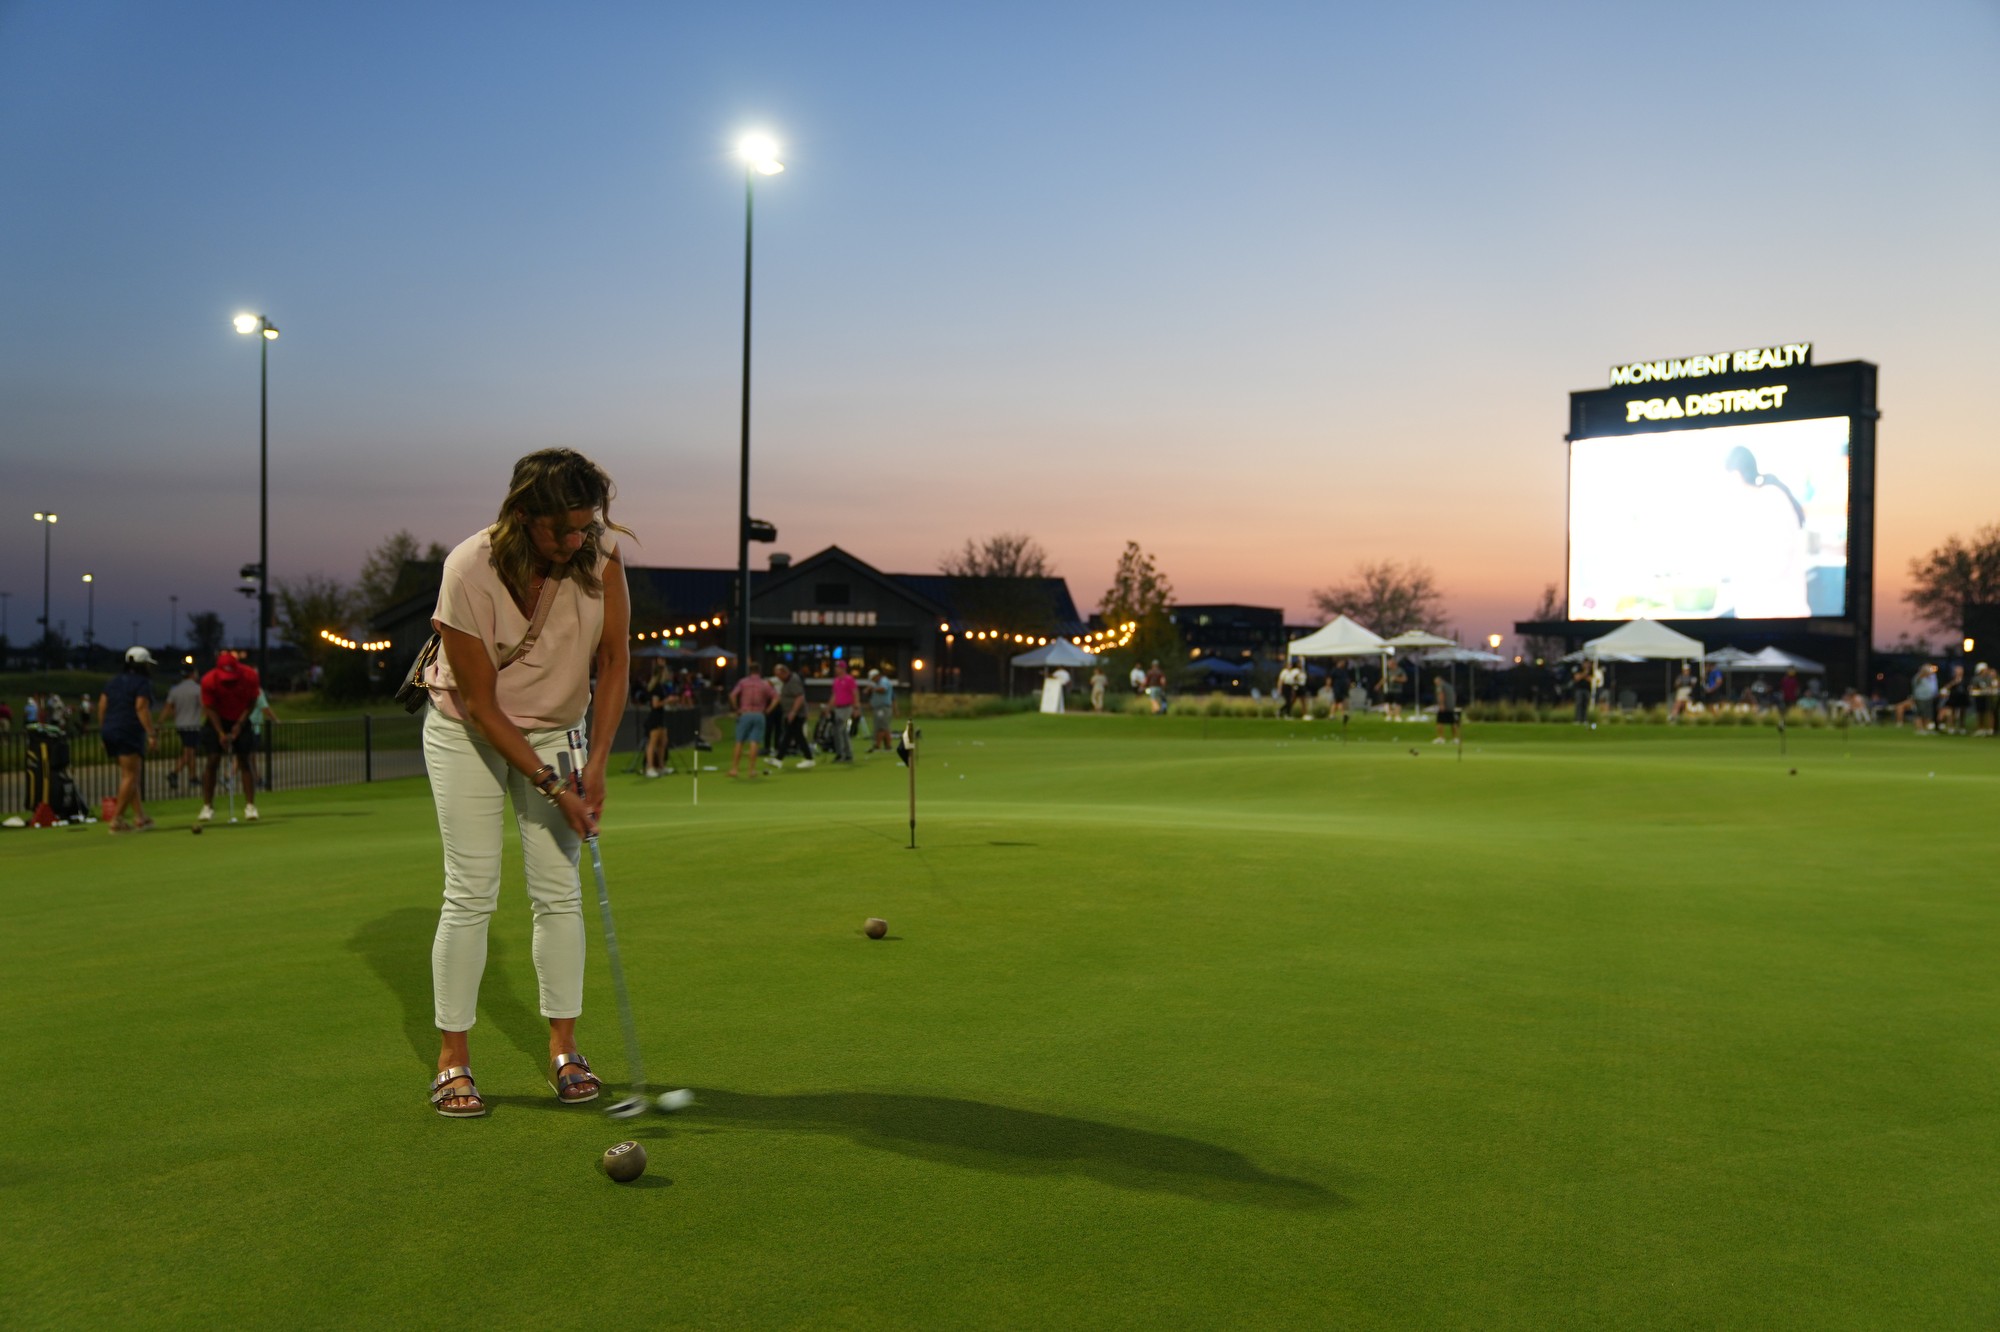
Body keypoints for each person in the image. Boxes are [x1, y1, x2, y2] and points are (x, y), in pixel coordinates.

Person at [419, 447, 631, 1118]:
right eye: (562, 529)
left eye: (586, 525)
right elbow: (482, 705)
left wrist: (595, 764)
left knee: (557, 892)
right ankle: (454, 1059)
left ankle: (565, 1049)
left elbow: (617, 657)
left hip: (555, 729)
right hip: (468, 731)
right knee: (472, 889)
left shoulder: (600, 558)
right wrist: (555, 787)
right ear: (524, 514)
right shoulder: (468, 568)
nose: (576, 542)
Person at [99, 646, 159, 832]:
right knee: (130, 775)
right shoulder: (142, 683)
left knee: (131, 774)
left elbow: (102, 705)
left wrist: (104, 729)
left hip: (110, 728)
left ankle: (140, 816)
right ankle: (117, 820)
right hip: (128, 730)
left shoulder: (113, 682)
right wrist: (151, 733)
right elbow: (141, 708)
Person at [198, 650, 264, 822]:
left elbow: (252, 702)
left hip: (240, 718)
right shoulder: (208, 680)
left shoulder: (249, 676)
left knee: (244, 760)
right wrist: (220, 732)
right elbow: (209, 708)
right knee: (212, 760)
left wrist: (240, 724)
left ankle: (250, 806)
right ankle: (207, 807)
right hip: (216, 720)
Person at [160, 662, 204, 792]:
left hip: (180, 724)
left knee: (191, 751)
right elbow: (204, 706)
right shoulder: (197, 689)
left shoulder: (175, 690)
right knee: (189, 752)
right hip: (193, 725)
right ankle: (174, 773)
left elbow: (168, 708)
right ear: (193, 674)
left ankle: (193, 777)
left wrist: (160, 722)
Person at [727, 661, 776, 777]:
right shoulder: (764, 684)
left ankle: (734, 769)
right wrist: (768, 709)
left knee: (739, 741)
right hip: (759, 714)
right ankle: (751, 770)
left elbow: (732, 695)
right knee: (755, 742)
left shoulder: (743, 682)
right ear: (760, 671)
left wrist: (736, 708)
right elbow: (776, 697)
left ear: (750, 671)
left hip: (745, 713)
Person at [770, 663, 812, 768]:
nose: (778, 678)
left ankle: (809, 758)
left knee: (797, 736)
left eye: (779, 675)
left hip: (797, 714)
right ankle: (779, 759)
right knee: (788, 736)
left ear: (784, 673)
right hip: (789, 713)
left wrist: (793, 712)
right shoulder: (787, 681)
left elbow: (800, 697)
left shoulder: (793, 681)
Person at [641, 663, 670, 777]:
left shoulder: (661, 687)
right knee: (652, 743)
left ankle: (661, 766)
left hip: (661, 717)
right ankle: (650, 767)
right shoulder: (656, 687)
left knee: (663, 742)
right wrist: (668, 701)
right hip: (655, 717)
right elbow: (655, 704)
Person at [827, 660, 857, 763]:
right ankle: (847, 754)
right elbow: (834, 695)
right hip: (838, 708)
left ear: (843, 668)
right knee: (842, 732)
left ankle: (841, 754)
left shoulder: (849, 679)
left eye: (838, 667)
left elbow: (855, 693)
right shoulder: (836, 681)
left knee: (839, 730)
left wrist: (856, 707)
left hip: (846, 707)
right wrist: (829, 707)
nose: (836, 669)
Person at [868, 668, 897, 751]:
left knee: (881, 726)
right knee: (885, 726)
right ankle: (888, 745)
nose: (873, 680)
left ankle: (877, 745)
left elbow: (883, 689)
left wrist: (872, 689)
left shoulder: (883, 681)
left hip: (883, 707)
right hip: (879, 707)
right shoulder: (877, 683)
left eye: (873, 678)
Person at [1432, 675, 1459, 745]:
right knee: (1453, 722)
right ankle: (1455, 738)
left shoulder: (1440, 686)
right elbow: (1454, 695)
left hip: (1444, 707)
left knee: (1440, 722)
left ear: (1440, 681)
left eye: (1436, 682)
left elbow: (1441, 694)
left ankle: (1441, 738)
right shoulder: (1450, 686)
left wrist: (1441, 705)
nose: (1436, 684)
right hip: (1451, 706)